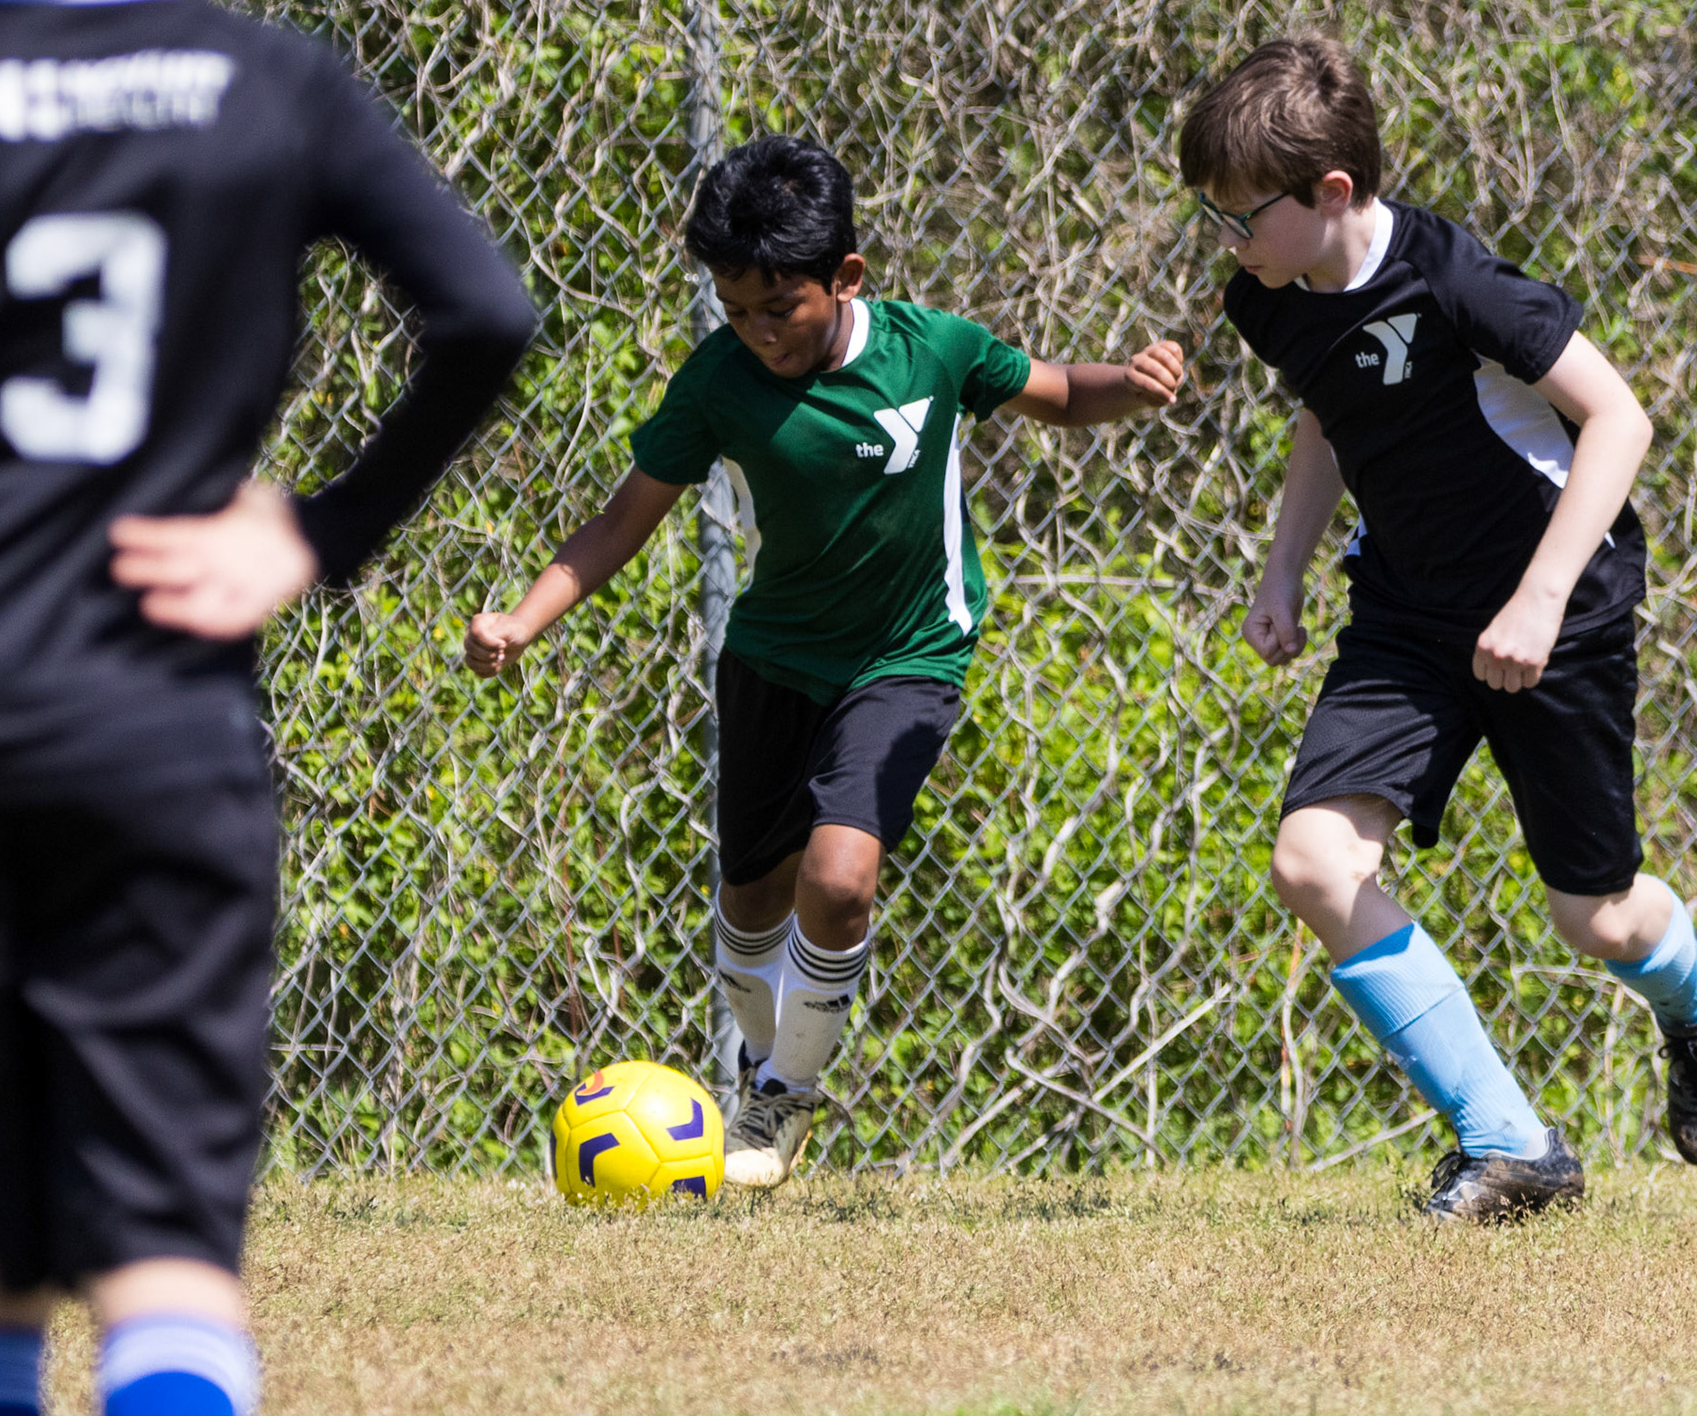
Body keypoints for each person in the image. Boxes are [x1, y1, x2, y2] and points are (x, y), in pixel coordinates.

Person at [0, 0, 538, 1409]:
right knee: (164, 1257)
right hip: (152, 717)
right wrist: (320, 526)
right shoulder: (269, 85)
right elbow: (486, 316)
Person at [464, 134, 1183, 1190]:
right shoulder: (718, 384)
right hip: (773, 658)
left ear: (845, 276)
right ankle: (765, 1063)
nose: (758, 331)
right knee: (752, 901)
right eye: (734, 310)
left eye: (779, 307)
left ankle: (782, 1101)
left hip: (910, 651)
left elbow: (1064, 392)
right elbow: (623, 518)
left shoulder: (930, 350)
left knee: (839, 880)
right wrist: (525, 619)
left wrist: (1134, 379)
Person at [1181, 36, 1697, 1221]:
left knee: (1594, 916)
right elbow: (1326, 415)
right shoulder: (1267, 298)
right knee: (1313, 861)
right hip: (1406, 614)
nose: (1225, 239)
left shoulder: (1453, 280)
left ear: (1331, 191)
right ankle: (1510, 1143)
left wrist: (1539, 598)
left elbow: (1619, 419)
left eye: (1240, 215)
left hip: (1559, 611)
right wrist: (1283, 569)